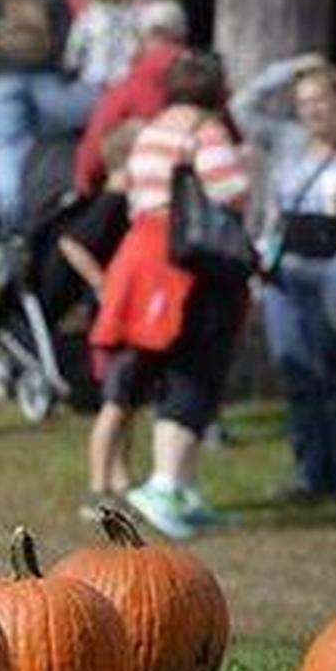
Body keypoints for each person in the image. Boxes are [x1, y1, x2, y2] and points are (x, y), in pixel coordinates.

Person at [88, 51, 251, 538]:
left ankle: (184, 488)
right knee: (194, 368)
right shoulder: (206, 130)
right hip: (187, 262)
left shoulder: (150, 131)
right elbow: (230, 190)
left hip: (142, 252)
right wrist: (247, 167)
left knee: (160, 365)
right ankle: (166, 485)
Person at [232, 55, 336, 505]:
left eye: (321, 99)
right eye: (304, 102)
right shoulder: (289, 141)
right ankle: (310, 475)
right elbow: (242, 107)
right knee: (296, 372)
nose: (313, 110)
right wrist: (290, 68)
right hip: (285, 271)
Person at [0, 0, 93, 228]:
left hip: (5, 76)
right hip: (45, 76)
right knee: (47, 148)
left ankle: (10, 218)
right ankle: (40, 211)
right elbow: (67, 41)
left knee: (6, 148)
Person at [73, 0, 190, 196]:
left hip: (141, 192)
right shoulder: (206, 78)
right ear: (183, 34)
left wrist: (84, 180)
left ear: (144, 36)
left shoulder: (132, 85)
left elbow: (98, 142)